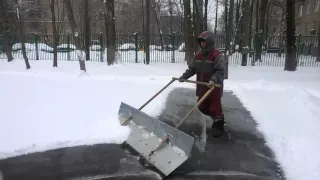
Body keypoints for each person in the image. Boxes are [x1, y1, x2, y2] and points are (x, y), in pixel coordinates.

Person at [178, 31, 225, 138]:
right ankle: (215, 118)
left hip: (213, 88)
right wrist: (184, 77)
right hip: (202, 88)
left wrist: (213, 80)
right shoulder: (198, 55)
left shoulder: (217, 55)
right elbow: (192, 69)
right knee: (202, 106)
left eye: (204, 42)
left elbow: (220, 72)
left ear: (209, 42)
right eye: (201, 42)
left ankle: (218, 125)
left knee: (215, 108)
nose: (202, 44)